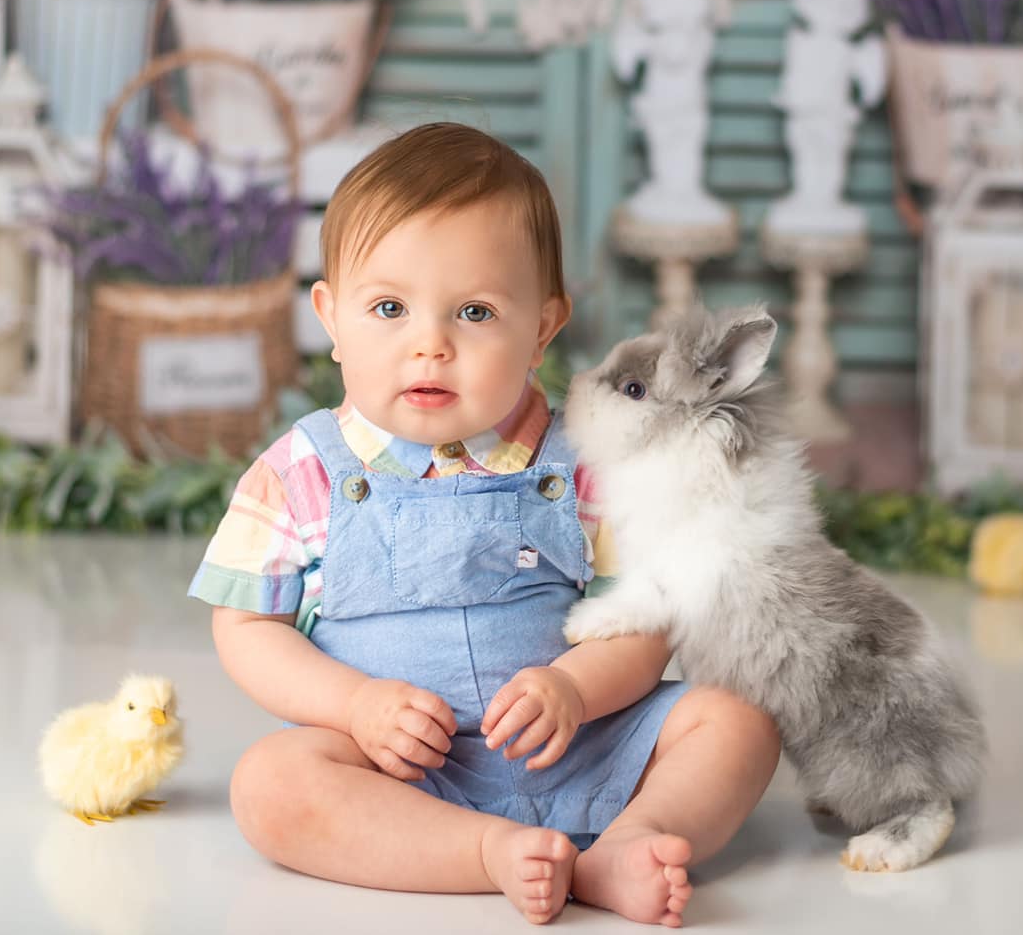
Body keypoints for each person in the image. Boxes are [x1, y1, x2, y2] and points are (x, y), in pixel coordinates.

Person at [191, 121, 781, 927]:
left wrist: (575, 687)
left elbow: (643, 624)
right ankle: (480, 852)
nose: (428, 346)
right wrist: (356, 707)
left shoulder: (588, 463)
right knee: (271, 783)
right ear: (330, 317)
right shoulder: (301, 471)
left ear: (541, 327)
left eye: (473, 312)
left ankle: (630, 839)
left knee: (736, 720)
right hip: (402, 774)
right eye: (390, 307)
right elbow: (247, 628)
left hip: (583, 744)